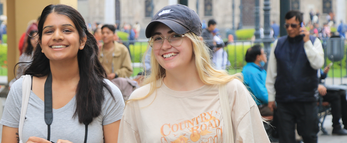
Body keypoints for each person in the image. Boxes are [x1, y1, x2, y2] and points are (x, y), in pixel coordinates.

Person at [118, 4, 270, 142]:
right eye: (158, 38)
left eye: (175, 36)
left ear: (196, 41)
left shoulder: (231, 91)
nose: (165, 45)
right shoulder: (139, 101)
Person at [0, 4, 124, 143]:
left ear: (82, 41)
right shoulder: (21, 90)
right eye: (49, 31)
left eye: (66, 30)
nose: (57, 36)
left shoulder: (108, 94)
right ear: (40, 44)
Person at [266, 10, 324, 143]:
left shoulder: (313, 42)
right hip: (284, 100)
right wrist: (271, 97)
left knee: (310, 136)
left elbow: (318, 64)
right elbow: (271, 73)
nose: (290, 29)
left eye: (293, 25)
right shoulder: (278, 44)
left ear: (301, 25)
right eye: (287, 25)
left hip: (306, 99)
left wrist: (307, 43)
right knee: (285, 138)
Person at [318, 66, 347, 135]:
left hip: (320, 88)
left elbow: (321, 76)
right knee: (335, 97)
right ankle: (336, 126)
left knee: (341, 94)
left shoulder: (316, 64)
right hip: (313, 91)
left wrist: (324, 73)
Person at [242, 45, 272, 116]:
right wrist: (274, 101)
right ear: (258, 57)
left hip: (262, 104)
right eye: (263, 53)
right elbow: (262, 94)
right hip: (258, 107)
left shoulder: (256, 69)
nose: (265, 55)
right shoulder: (252, 72)